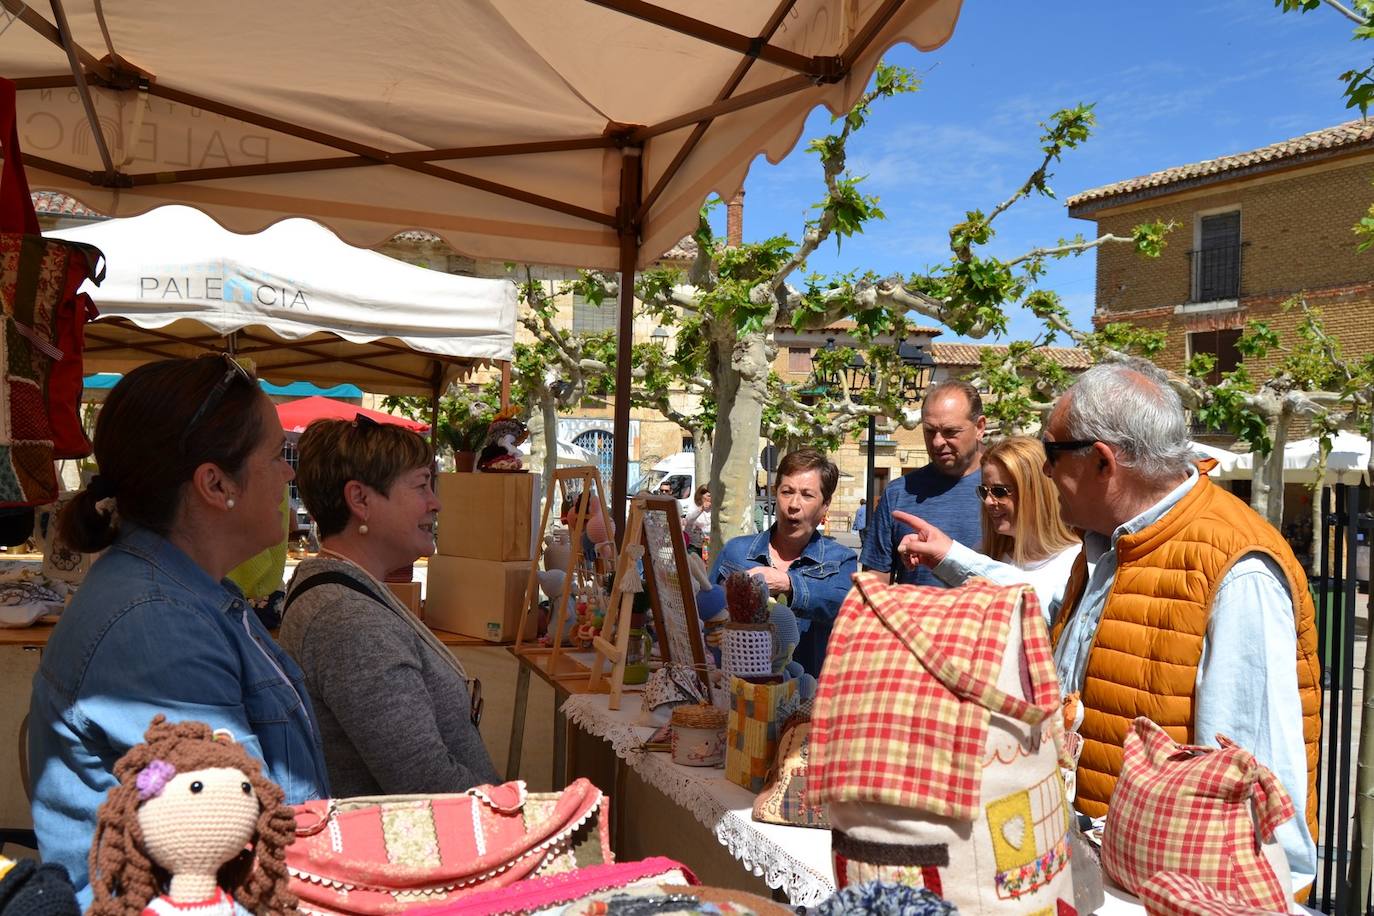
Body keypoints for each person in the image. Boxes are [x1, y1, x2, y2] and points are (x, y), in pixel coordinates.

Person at [29, 355, 329, 902]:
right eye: (277, 454)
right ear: (215, 483)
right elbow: (241, 843)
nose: (290, 471)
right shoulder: (155, 622)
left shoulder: (188, 596)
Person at [1043, 358, 1320, 891]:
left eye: (1051, 454)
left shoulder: (1238, 571)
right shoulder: (1105, 545)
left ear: (1102, 462)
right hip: (1100, 880)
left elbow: (1255, 809)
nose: (1047, 472)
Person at [279, 416, 499, 796]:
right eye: (421, 485)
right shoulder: (348, 621)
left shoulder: (343, 593)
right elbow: (429, 784)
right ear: (360, 499)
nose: (436, 503)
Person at [889, 436, 1081, 614]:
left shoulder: (1076, 561)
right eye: (984, 491)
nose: (988, 501)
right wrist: (935, 560)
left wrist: (950, 556)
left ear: (1036, 493)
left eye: (1000, 491)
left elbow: (1044, 611)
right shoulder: (984, 551)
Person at [708, 448, 858, 675]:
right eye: (787, 492)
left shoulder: (840, 559)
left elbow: (846, 607)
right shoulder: (735, 552)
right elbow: (707, 607)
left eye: (807, 495)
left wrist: (789, 585)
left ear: (825, 505)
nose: (794, 504)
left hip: (807, 697)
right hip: (738, 695)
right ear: (775, 494)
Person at [860, 380, 985, 586]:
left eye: (950, 431)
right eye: (930, 431)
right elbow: (874, 582)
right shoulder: (898, 493)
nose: (937, 442)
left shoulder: (1008, 489)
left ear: (979, 427)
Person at [685, 484, 712, 557]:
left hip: (708, 545)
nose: (711, 498)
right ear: (701, 496)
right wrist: (701, 509)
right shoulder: (694, 506)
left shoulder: (714, 507)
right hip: (694, 544)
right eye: (709, 496)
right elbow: (689, 519)